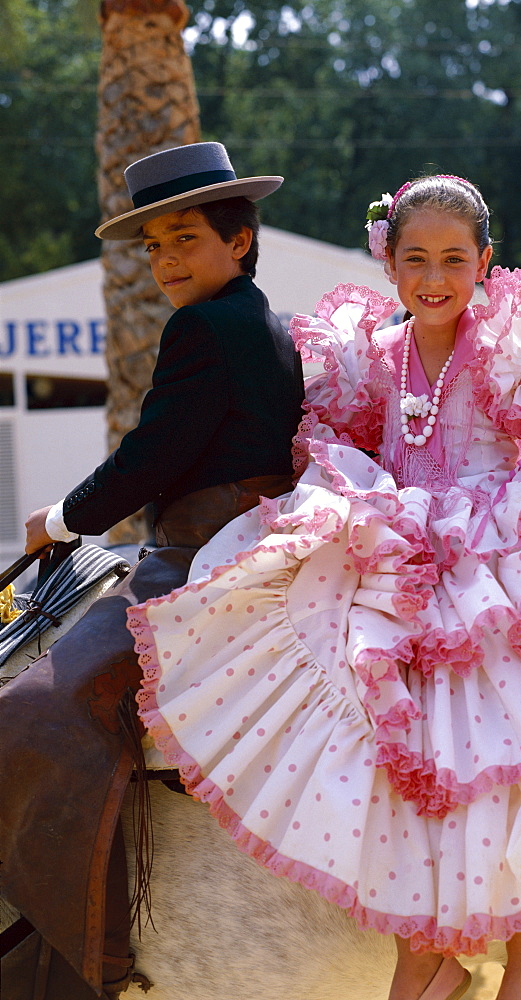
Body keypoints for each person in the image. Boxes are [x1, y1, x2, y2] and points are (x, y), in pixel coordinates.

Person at [124, 175, 521, 1000]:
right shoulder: (370, 355)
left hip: (499, 546)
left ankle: (516, 956)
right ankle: (427, 941)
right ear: (388, 264)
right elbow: (334, 447)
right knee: (382, 718)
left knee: (507, 720)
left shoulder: (509, 349)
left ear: (485, 262)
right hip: (406, 551)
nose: (434, 277)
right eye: (414, 258)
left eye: (454, 258)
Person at [0, 142, 305, 999]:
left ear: (238, 240)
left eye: (184, 240)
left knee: (37, 706)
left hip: (203, 551)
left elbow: (155, 452)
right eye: (153, 247)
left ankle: (84, 955)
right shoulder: (266, 320)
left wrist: (57, 520)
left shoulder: (203, 326)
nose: (167, 261)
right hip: (227, 533)